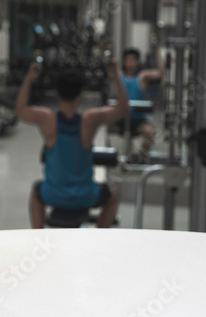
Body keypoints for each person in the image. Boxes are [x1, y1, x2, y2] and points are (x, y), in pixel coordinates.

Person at [15, 60, 129, 228]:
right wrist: (115, 76)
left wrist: (30, 77)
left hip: (52, 195)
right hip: (85, 197)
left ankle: (37, 235)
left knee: (36, 190)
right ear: (80, 94)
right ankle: (101, 236)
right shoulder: (90, 119)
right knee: (112, 195)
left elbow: (20, 109)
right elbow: (123, 109)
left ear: (56, 93)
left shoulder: (46, 118)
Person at [119, 47, 163, 160]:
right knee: (104, 126)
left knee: (150, 131)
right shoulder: (119, 76)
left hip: (138, 120)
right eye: (128, 60)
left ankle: (140, 157)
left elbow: (160, 73)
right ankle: (116, 158)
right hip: (121, 118)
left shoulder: (142, 77)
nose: (130, 63)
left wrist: (156, 50)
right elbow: (109, 70)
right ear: (124, 62)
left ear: (138, 62)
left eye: (133, 60)